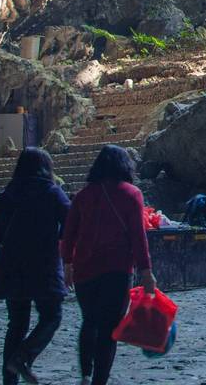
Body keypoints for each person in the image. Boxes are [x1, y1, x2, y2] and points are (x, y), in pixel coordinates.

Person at [61, 145, 157, 385]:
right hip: (117, 269)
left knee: (89, 320)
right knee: (109, 329)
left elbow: (69, 232)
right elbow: (138, 235)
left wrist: (68, 264)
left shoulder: (83, 195)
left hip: (85, 269)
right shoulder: (131, 194)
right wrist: (146, 271)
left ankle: (85, 373)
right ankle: (99, 381)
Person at [0, 148, 71, 385]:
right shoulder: (52, 192)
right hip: (43, 265)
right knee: (52, 315)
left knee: (16, 324)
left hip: (12, 265)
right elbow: (71, 222)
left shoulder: (8, 194)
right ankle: (23, 356)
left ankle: (10, 380)